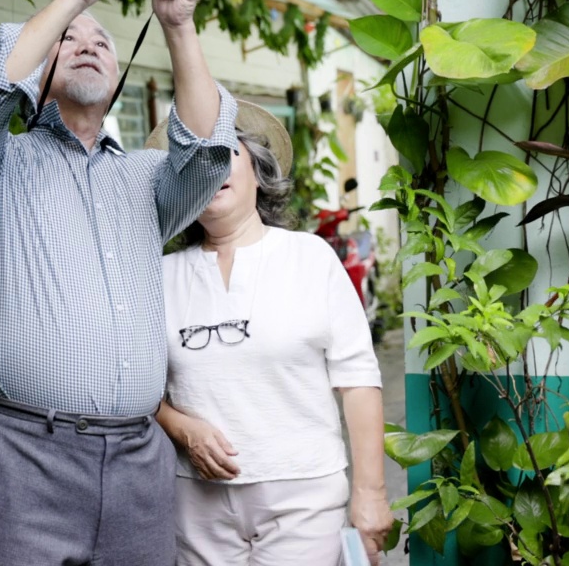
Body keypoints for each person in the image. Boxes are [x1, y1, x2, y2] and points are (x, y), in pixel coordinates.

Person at [0, 0, 239, 566]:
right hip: (21, 460)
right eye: (69, 38)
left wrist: (178, 26)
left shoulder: (149, 176)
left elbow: (212, 152)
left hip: (138, 465)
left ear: (118, 72)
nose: (87, 44)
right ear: (40, 75)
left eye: (102, 40)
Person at [148, 108, 394, 566]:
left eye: (224, 153)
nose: (209, 168)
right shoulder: (158, 276)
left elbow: (358, 378)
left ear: (259, 172)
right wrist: (183, 429)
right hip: (195, 502)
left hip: (304, 497)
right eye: (192, 161)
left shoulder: (310, 258)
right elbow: (135, 388)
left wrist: (371, 493)